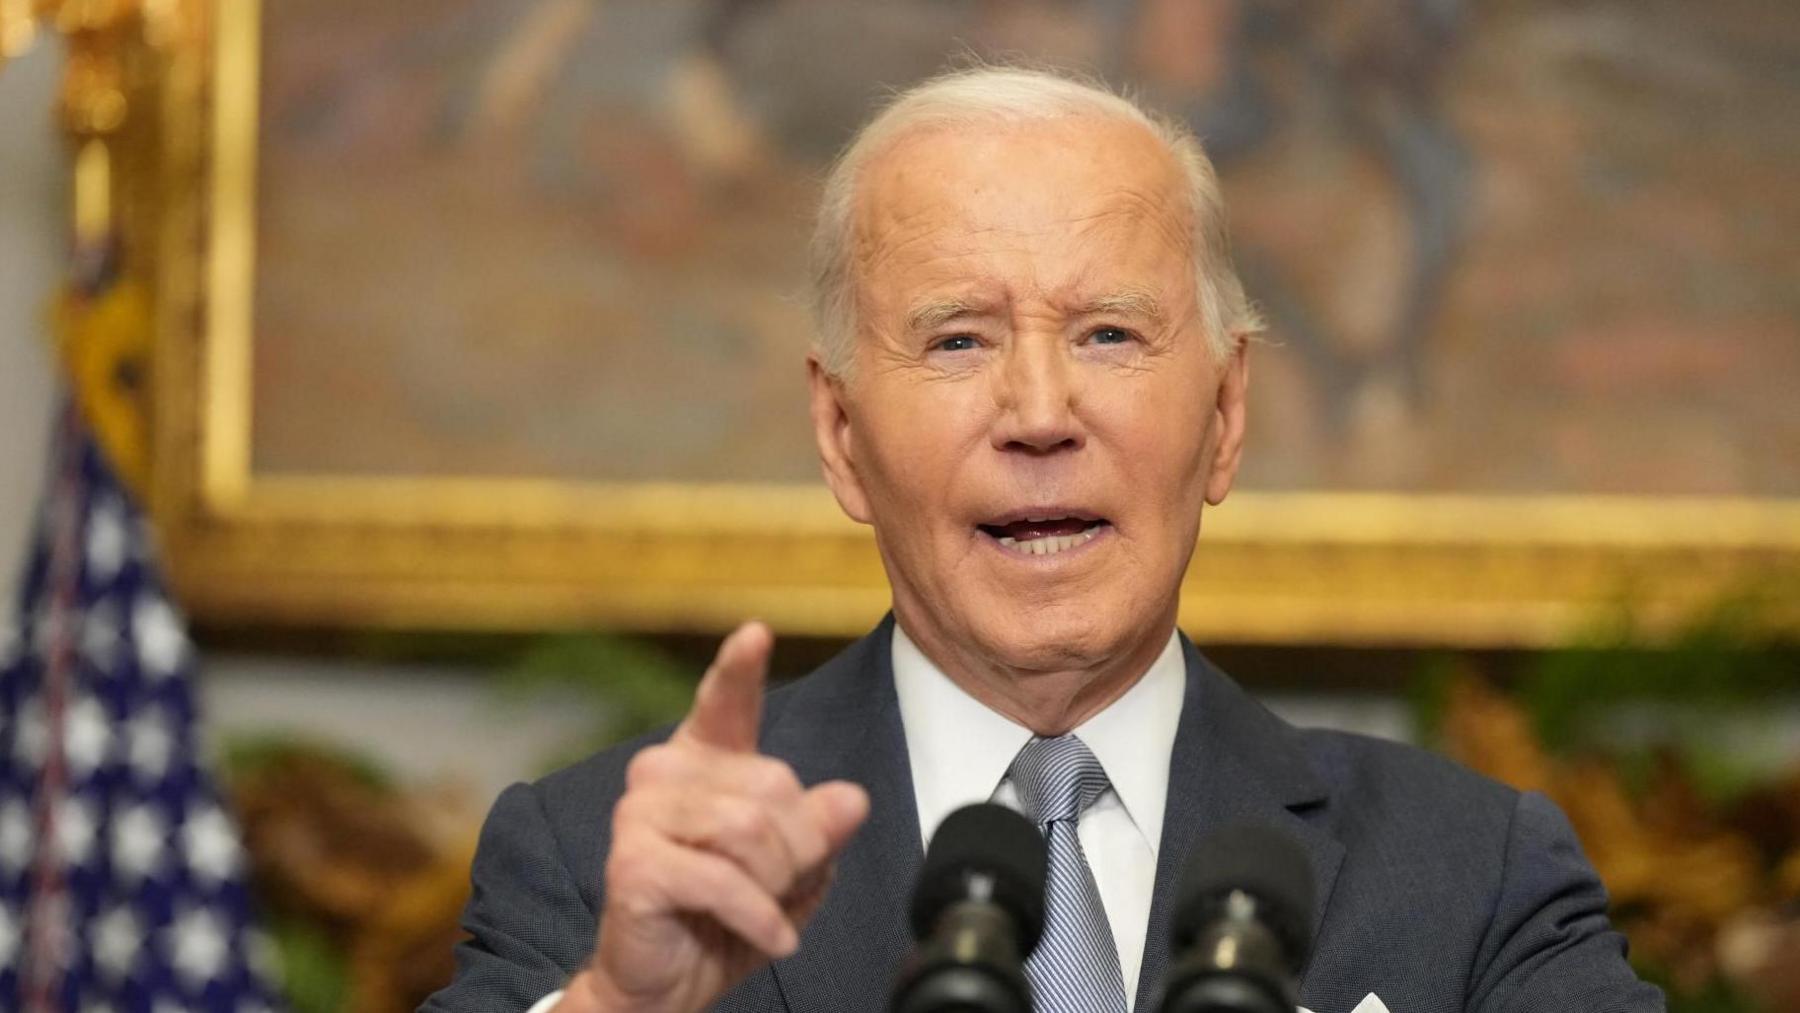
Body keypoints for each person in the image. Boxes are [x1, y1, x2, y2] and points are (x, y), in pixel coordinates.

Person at [424, 66, 1663, 1013]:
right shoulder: (599, 869)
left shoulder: (1471, 871)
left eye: (1110, 335)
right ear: (841, 431)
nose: (1038, 414)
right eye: (958, 338)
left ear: (1226, 416)